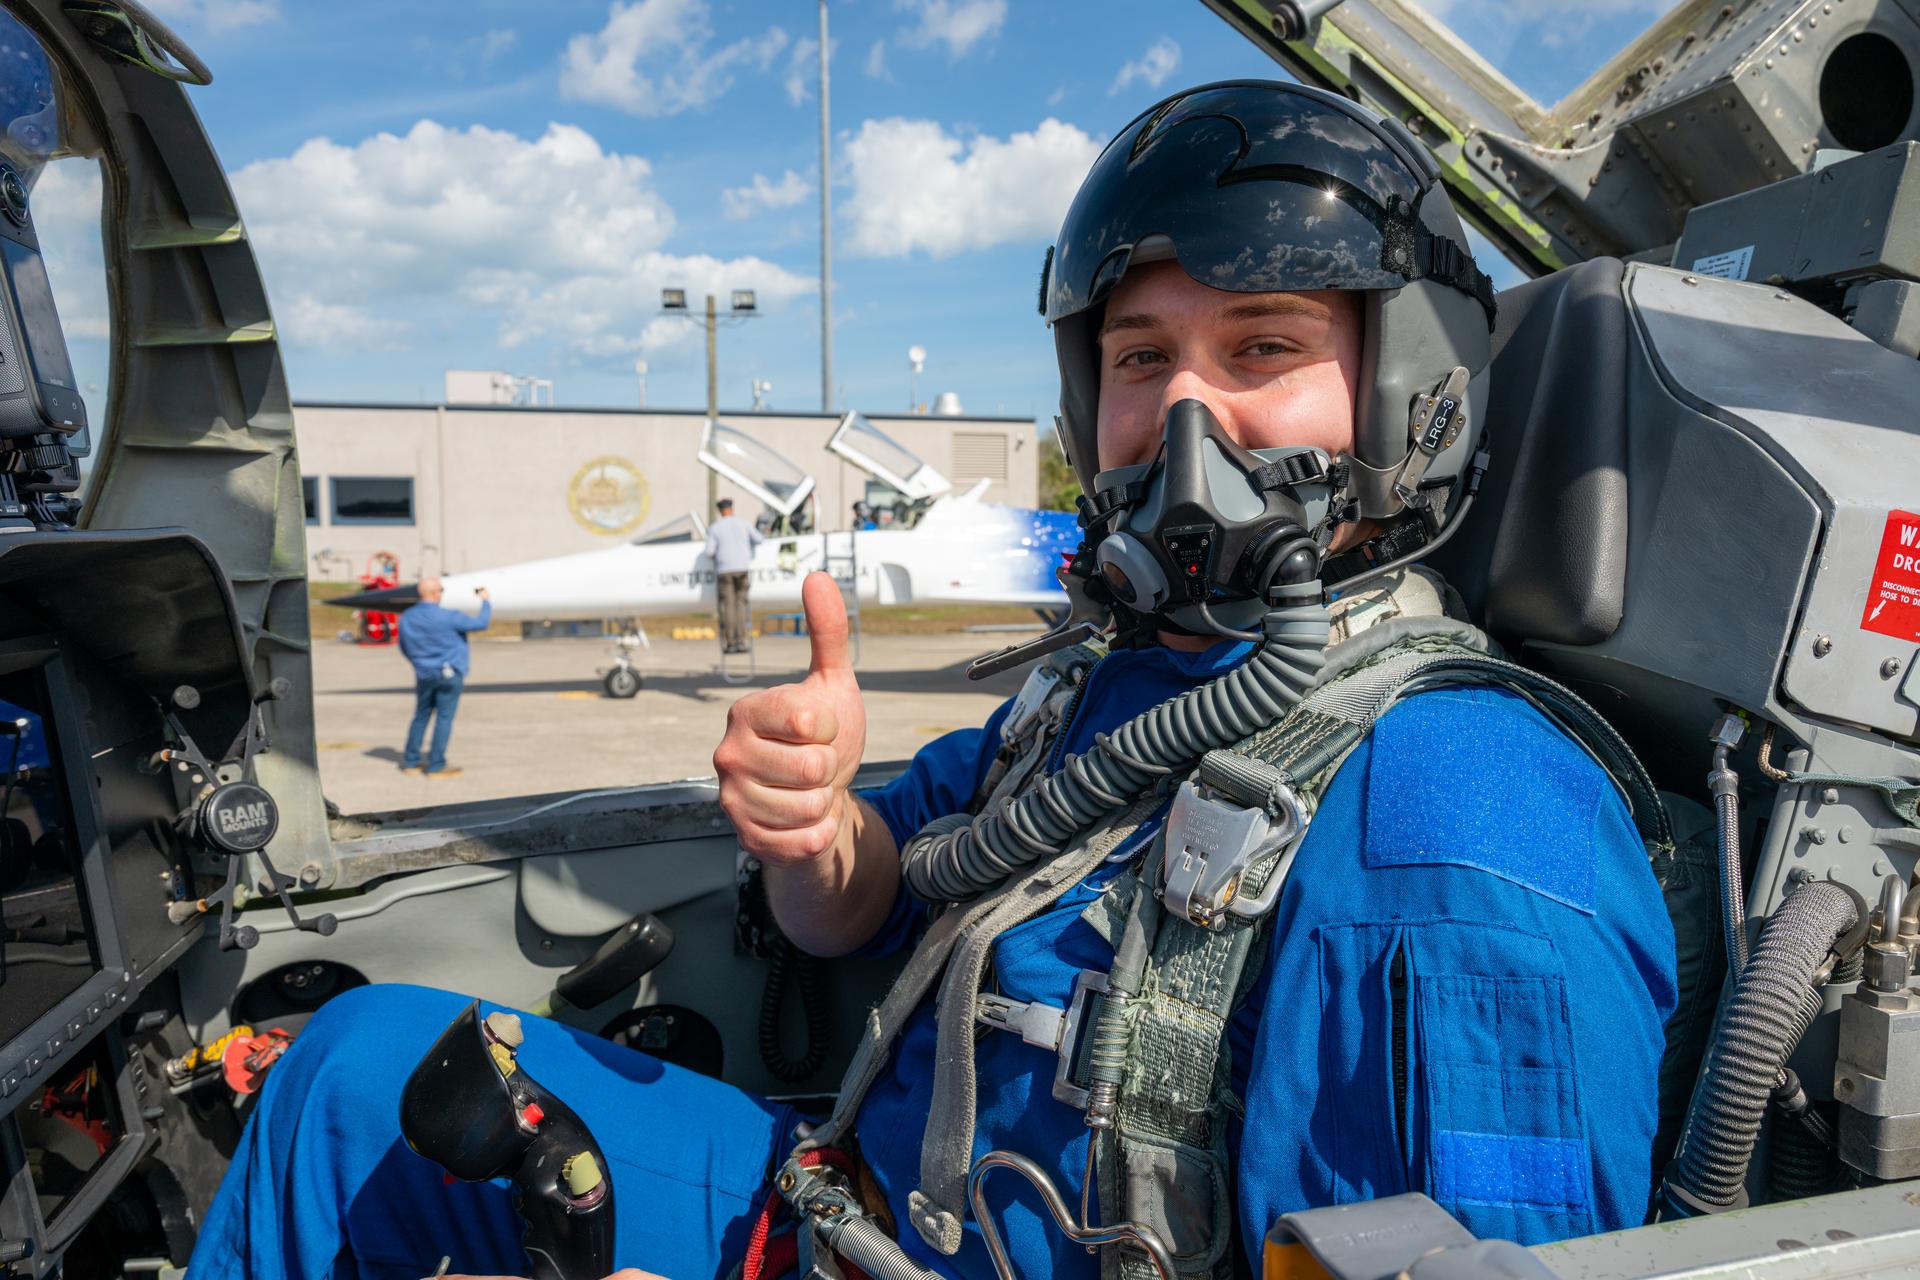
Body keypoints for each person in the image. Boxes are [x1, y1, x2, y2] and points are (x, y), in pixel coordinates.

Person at [188, 83, 1675, 1280]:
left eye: (1265, 344)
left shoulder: (1460, 823)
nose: (1184, 412)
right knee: (355, 1078)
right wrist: (820, 831)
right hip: (857, 1205)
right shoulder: (1115, 684)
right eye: (1141, 356)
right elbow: (880, 893)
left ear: (1415, 391)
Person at [396, 578, 490, 778]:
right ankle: (436, 765)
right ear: (435, 593)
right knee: (444, 718)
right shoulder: (449, 616)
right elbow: (481, 623)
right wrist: (485, 601)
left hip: (424, 674)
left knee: (421, 716)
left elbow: (403, 646)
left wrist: (419, 664)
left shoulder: (407, 617)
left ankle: (411, 763)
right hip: (449, 674)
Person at [705, 497, 763, 654]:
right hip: (742, 570)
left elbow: (709, 552)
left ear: (720, 511)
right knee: (741, 605)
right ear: (731, 508)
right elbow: (759, 539)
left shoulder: (715, 528)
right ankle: (742, 641)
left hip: (725, 571)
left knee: (729, 607)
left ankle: (731, 642)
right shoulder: (743, 524)